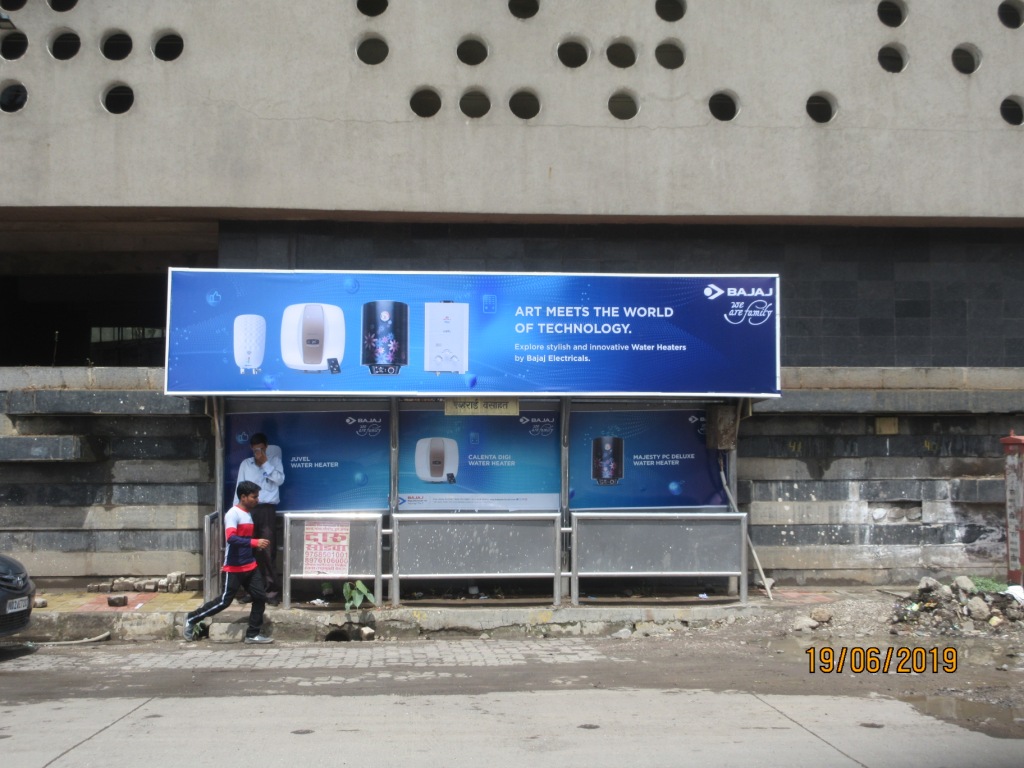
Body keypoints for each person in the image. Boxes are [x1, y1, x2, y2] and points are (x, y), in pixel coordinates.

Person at [183, 480, 274, 644]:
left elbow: (243, 539)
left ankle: (252, 634)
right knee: (225, 602)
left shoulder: (248, 514)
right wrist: (254, 543)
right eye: (254, 497)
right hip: (235, 567)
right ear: (244, 497)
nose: (257, 500)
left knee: (260, 597)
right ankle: (191, 618)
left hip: (250, 565)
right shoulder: (233, 513)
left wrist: (253, 547)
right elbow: (231, 538)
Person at [233, 432, 285, 602]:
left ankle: (271, 592)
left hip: (267, 510)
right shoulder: (245, 465)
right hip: (249, 510)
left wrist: (265, 464)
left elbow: (280, 480)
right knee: (249, 551)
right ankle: (251, 591)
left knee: (268, 551)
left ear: (266, 447)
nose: (258, 452)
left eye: (261, 449)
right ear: (251, 448)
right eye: (256, 450)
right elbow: (238, 490)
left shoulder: (274, 462)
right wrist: (237, 513)